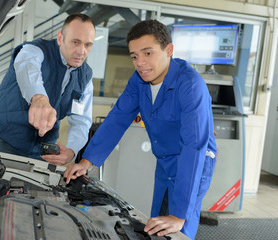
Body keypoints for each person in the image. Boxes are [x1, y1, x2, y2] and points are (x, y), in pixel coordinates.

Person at [64, 19, 217, 239]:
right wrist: (86, 162)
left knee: (177, 228)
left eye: (148, 53)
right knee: (156, 224)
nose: (140, 63)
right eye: (134, 56)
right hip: (165, 159)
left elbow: (194, 147)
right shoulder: (139, 80)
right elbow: (117, 118)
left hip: (194, 161)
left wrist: (180, 215)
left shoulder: (191, 86)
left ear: (169, 50)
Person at [0, 13, 96, 166]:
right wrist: (39, 98)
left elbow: (81, 121)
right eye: (75, 42)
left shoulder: (86, 76)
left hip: (44, 147)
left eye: (88, 45)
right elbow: (28, 68)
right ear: (60, 38)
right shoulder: (34, 50)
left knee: (35, 189)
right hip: (7, 136)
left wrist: (72, 150)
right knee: (4, 184)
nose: (81, 51)